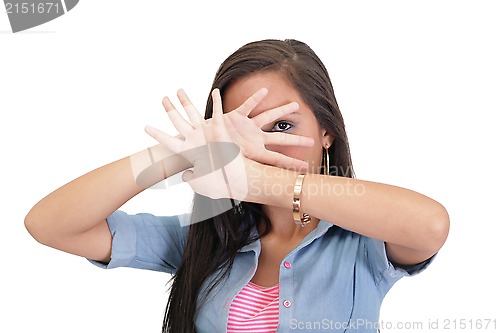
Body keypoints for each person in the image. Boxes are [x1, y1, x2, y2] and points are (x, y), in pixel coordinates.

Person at [24, 39, 449, 333]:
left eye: (281, 126)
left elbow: (429, 226)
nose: (260, 145)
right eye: (242, 131)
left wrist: (260, 181)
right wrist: (184, 154)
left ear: (327, 133)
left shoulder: (362, 241)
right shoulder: (205, 239)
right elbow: (51, 225)